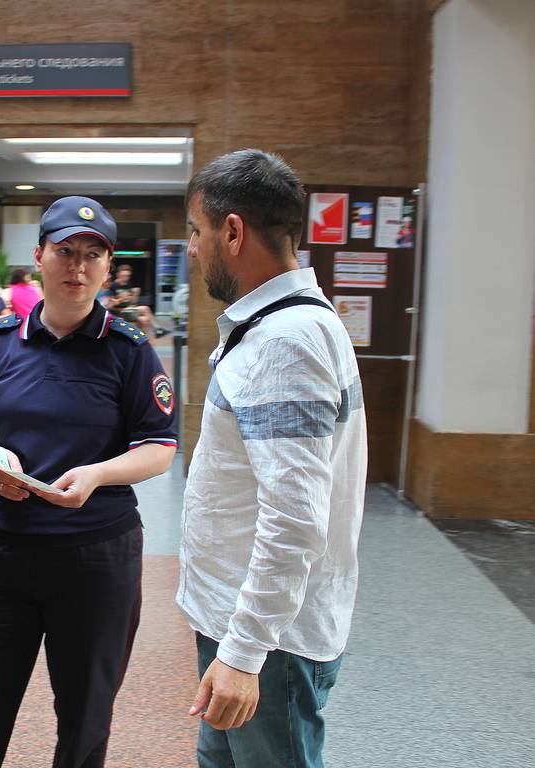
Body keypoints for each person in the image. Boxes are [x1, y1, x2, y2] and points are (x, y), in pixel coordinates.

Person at [0, 196, 178, 768]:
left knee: (85, 717)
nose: (78, 266)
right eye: (65, 252)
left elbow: (159, 449)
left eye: (93, 255)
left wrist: (97, 473)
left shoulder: (130, 351)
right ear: (39, 257)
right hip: (4, 552)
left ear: (108, 267)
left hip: (96, 558)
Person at [176, 149, 367, 768]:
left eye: (197, 233)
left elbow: (294, 519)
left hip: (267, 643)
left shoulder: (286, 341)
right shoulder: (283, 326)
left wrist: (244, 653)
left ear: (232, 232)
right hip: (248, 629)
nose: (192, 250)